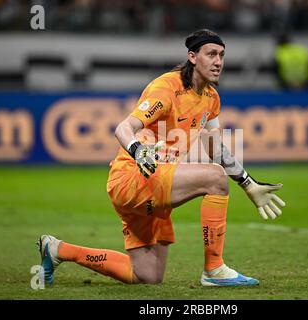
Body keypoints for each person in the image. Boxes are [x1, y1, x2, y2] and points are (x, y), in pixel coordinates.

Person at [38, 29, 286, 287]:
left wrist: (248, 183)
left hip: (155, 183)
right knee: (215, 178)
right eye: (211, 54)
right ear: (192, 57)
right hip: (133, 178)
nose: (218, 62)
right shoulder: (167, 88)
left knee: (147, 276)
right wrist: (137, 149)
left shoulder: (211, 98)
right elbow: (123, 127)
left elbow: (216, 149)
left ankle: (58, 250)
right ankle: (214, 269)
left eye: (222, 55)